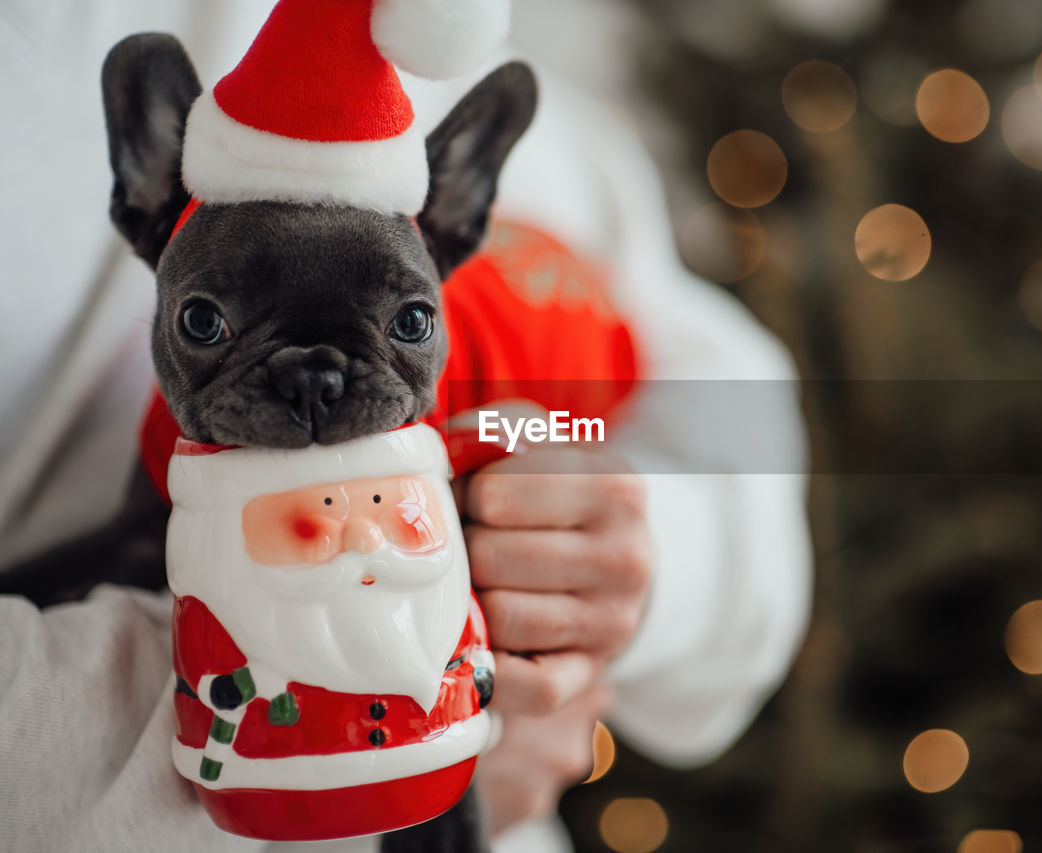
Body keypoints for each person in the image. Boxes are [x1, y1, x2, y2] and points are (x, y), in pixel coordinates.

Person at [0, 2, 812, 851]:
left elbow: (722, 385)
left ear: (461, 220)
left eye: (406, 326)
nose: (315, 383)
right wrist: (411, 779)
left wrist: (632, 529)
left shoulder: (446, 46)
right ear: (143, 198)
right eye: (209, 323)